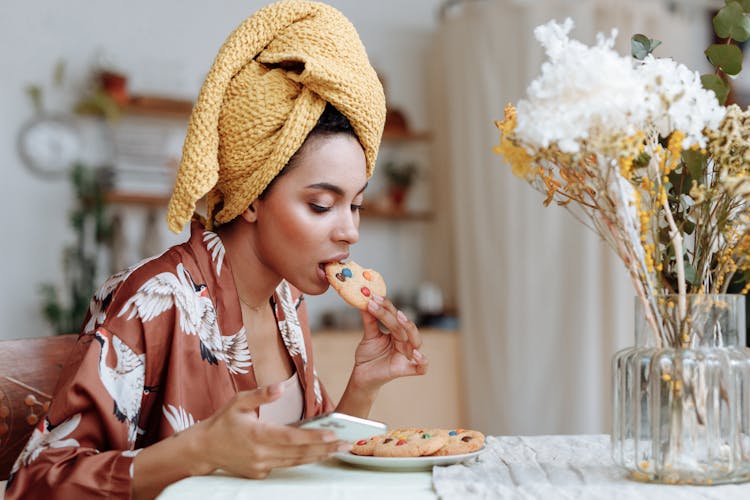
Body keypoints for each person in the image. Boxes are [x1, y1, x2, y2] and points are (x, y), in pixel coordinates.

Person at [5, 1, 428, 498]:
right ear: (251, 199)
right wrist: (197, 450)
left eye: (354, 206)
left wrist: (364, 386)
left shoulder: (287, 301)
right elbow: (34, 483)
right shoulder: (156, 299)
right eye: (320, 205)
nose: (350, 232)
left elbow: (300, 470)